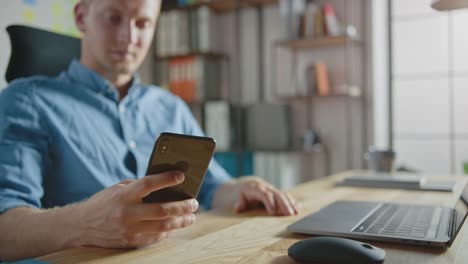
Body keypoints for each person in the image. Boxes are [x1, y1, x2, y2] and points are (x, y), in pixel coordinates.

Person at [0, 0, 301, 261]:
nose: (129, 37)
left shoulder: (170, 106)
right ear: (81, 17)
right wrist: (85, 223)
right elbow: (5, 228)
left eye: (143, 23)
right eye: (114, 17)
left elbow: (208, 187)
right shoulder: (28, 100)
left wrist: (239, 189)